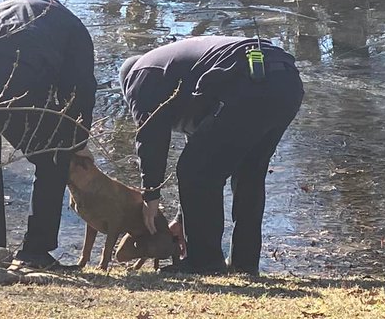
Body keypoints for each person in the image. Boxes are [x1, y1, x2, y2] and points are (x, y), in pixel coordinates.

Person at [120, 35, 304, 276]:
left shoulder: (141, 77)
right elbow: (203, 147)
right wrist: (182, 220)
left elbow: (150, 138)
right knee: (249, 172)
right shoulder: (177, 74)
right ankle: (243, 264)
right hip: (285, 82)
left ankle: (204, 263)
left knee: (193, 171)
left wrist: (151, 195)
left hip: (246, 83)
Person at [0, 0, 96, 269]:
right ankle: (35, 252)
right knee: (53, 155)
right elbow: (80, 90)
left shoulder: (9, 9)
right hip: (15, 68)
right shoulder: (74, 30)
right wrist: (77, 140)